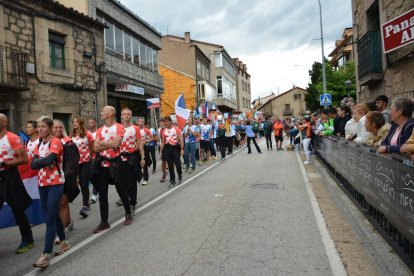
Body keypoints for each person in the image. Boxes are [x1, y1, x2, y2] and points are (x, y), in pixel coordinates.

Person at [31, 117, 70, 267]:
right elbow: (32, 165)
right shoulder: (39, 143)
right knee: (52, 215)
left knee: (49, 218)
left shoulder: (55, 142)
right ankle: (65, 242)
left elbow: (49, 160)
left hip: (55, 182)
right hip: (42, 183)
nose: (40, 129)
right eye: (38, 127)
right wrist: (41, 161)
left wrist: (39, 162)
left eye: (43, 126)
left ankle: (45, 254)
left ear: (50, 127)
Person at [93, 106, 133, 232]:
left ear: (110, 113)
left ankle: (128, 213)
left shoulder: (119, 127)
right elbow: (95, 148)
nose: (101, 113)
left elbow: (117, 144)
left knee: (121, 190)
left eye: (103, 111)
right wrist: (109, 145)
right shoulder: (100, 130)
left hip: (116, 163)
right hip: (102, 164)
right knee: (102, 194)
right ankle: (104, 221)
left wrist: (102, 144)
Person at [0, 114, 34, 254]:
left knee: (17, 209)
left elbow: (24, 159)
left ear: (4, 122)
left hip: (10, 176)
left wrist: (6, 163)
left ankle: (27, 240)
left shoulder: (12, 137)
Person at [53, 120, 77, 233]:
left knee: (63, 202)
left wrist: (72, 177)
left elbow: (73, 162)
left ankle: (61, 232)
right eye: (55, 127)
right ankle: (68, 222)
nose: (58, 129)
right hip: (51, 178)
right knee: (58, 204)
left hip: (65, 177)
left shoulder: (68, 142)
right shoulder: (47, 142)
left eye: (60, 127)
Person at [119, 108, 145, 215]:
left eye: (128, 114)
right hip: (120, 158)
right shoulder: (118, 128)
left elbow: (139, 143)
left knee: (132, 181)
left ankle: (132, 203)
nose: (126, 116)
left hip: (132, 157)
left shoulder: (135, 128)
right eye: (124, 114)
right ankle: (125, 198)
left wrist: (143, 157)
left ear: (131, 115)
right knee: (121, 182)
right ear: (121, 116)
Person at [70, 116, 94, 218]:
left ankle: (85, 206)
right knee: (79, 183)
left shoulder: (87, 134)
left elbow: (92, 148)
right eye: (73, 122)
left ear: (81, 123)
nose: (75, 123)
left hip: (86, 162)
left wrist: (89, 157)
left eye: (77, 122)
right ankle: (87, 202)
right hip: (76, 163)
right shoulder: (71, 136)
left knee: (84, 184)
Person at [160, 116, 184, 188]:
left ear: (170, 121)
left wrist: (182, 149)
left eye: (168, 121)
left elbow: (181, 139)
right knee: (170, 166)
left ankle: (180, 174)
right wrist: (161, 151)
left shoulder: (176, 129)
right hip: (167, 149)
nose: (166, 123)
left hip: (175, 148)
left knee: (178, 164)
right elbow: (163, 142)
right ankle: (172, 181)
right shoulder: (163, 131)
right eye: (165, 121)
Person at [136, 118, 153, 185]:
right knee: (137, 163)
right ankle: (140, 175)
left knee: (144, 163)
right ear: (137, 122)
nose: (141, 122)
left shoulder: (146, 130)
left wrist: (146, 141)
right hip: (136, 148)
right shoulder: (135, 129)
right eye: (140, 121)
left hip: (144, 147)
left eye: (142, 121)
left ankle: (145, 178)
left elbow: (152, 138)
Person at [87, 119, 99, 204]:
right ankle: (97, 189)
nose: (90, 124)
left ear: (95, 123)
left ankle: (95, 194)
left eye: (91, 122)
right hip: (88, 157)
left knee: (95, 174)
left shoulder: (99, 132)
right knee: (91, 176)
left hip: (97, 156)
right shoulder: (86, 133)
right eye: (89, 123)